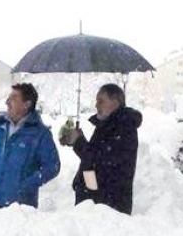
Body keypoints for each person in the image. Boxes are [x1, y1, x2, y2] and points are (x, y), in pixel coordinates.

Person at [60, 84, 142, 215]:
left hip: (109, 204)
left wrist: (79, 142)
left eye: (101, 101)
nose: (96, 105)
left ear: (115, 103)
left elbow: (101, 160)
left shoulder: (123, 127)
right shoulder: (107, 125)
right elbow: (92, 161)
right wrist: (78, 140)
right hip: (95, 199)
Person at [0, 83, 60, 209]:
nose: (7, 102)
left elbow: (53, 166)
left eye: (13, 98)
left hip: (21, 209)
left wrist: (27, 184)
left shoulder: (39, 133)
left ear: (27, 104)